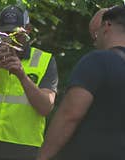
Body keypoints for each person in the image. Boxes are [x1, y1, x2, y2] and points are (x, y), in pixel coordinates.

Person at [36, 6, 125, 160]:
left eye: (95, 35)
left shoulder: (98, 60)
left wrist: (43, 155)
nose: (95, 42)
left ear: (107, 26)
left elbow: (70, 114)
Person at [0, 5, 58, 160]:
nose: (9, 39)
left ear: (28, 30)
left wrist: (22, 76)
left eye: (15, 34)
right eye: (5, 33)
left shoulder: (44, 60)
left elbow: (46, 107)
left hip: (25, 147)